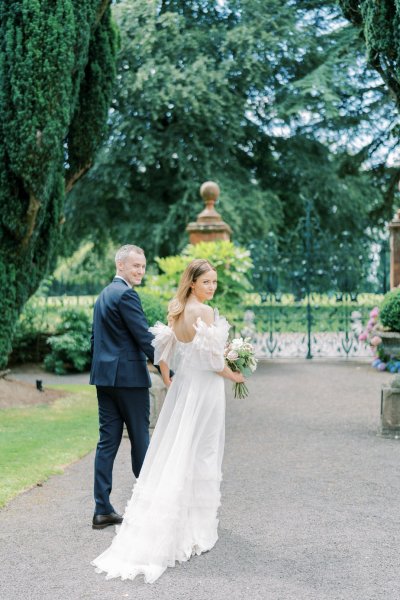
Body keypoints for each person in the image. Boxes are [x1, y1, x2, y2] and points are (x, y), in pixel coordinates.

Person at [92, 258, 245, 582]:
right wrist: (236, 375)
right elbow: (214, 360)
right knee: (201, 451)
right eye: (207, 282)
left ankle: (142, 509)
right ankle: (196, 524)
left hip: (184, 388)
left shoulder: (176, 310)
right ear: (192, 283)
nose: (212, 288)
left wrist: (171, 379)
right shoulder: (202, 312)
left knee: (175, 447)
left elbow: (162, 353)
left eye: (215, 283)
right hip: (203, 390)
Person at [90, 244, 157, 530]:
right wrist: (170, 369)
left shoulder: (104, 295)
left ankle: (102, 509)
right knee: (141, 440)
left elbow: (95, 340)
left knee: (107, 443)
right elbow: (144, 337)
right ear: (121, 266)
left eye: (142, 266)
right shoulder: (127, 295)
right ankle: (148, 507)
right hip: (129, 380)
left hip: (104, 379)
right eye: (135, 266)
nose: (140, 271)